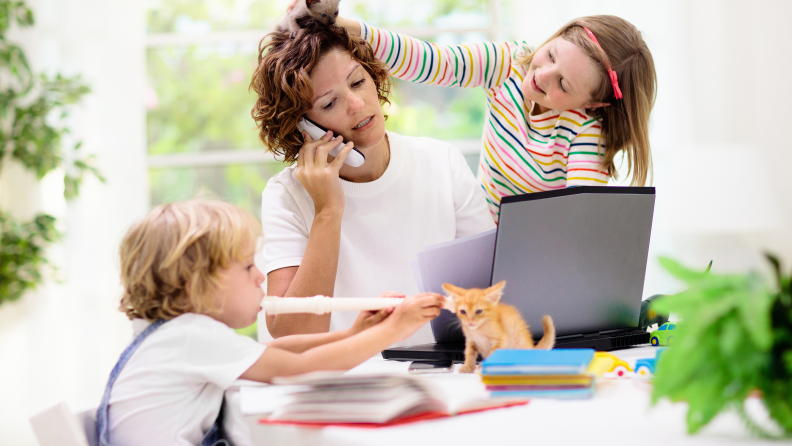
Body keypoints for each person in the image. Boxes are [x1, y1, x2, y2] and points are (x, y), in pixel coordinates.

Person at [96, 200, 444, 446]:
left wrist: (355, 334)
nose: (260, 276)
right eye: (247, 267)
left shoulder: (174, 337)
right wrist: (392, 331)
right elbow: (295, 369)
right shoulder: (189, 336)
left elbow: (273, 352)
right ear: (198, 286)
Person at [250, 20, 495, 344]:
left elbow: (494, 293)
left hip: (440, 374)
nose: (356, 104)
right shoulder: (286, 196)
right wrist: (327, 211)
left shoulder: (441, 162)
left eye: (357, 82)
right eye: (329, 103)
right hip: (339, 383)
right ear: (301, 127)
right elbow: (293, 335)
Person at [332, 14, 657, 222]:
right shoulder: (509, 63)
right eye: (551, 55)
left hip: (532, 251)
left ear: (594, 104)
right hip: (476, 226)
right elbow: (432, 62)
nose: (542, 75)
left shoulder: (586, 132)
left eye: (563, 84)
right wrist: (353, 29)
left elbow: (578, 219)